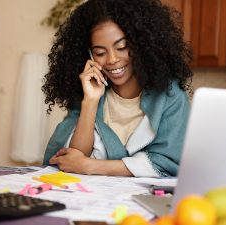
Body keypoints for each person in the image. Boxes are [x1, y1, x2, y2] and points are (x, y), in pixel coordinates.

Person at [42, 0, 193, 177]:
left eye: (122, 47)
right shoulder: (87, 94)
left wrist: (92, 166)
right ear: (89, 55)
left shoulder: (170, 97)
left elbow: (167, 162)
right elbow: (73, 160)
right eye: (100, 53)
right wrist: (90, 101)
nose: (112, 59)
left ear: (142, 45)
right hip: (90, 197)